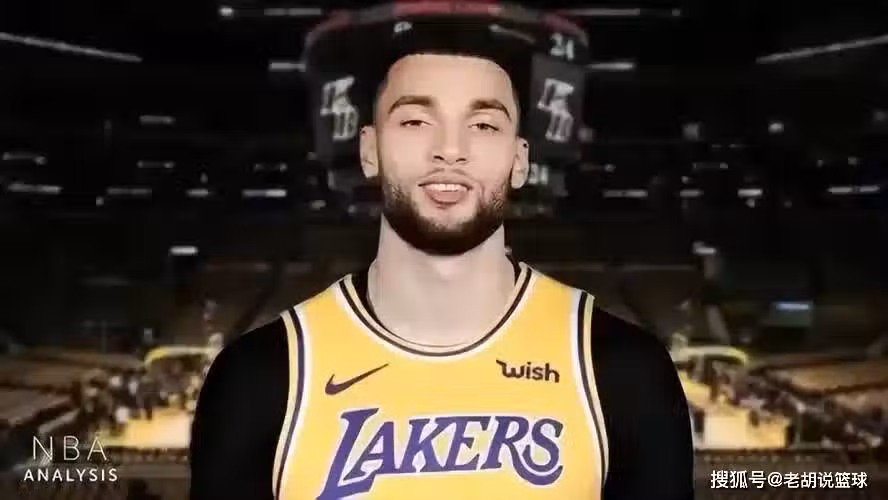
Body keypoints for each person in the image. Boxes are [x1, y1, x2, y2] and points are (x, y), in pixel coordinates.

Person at [190, 43, 693, 500]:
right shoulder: (256, 379)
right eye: (415, 121)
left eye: (484, 125)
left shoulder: (625, 371)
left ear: (519, 160)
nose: (450, 149)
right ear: (369, 150)